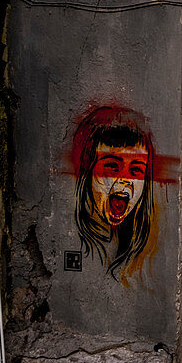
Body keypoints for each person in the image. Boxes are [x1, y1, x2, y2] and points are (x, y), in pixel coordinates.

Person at [70, 106, 157, 282]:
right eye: (111, 167)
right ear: (88, 173)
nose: (124, 181)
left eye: (136, 170)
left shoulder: (138, 252)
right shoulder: (86, 245)